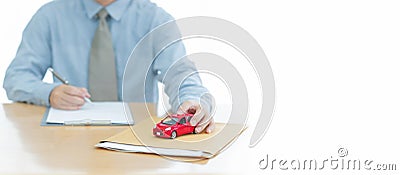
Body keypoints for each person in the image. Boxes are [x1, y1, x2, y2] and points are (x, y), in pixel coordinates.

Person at [3, 0, 215, 134]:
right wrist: (49, 93)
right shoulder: (49, 16)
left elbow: (179, 73)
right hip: (67, 136)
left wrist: (193, 102)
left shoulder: (155, 19)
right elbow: (16, 78)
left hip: (136, 138)